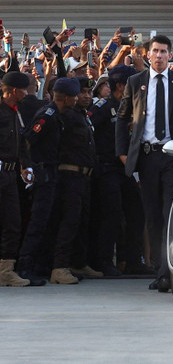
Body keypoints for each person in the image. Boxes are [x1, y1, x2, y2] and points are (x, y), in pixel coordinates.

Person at [115, 35, 173, 292]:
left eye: (163, 51)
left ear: (170, 55)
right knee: (152, 215)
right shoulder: (135, 82)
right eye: (155, 51)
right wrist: (123, 153)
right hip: (146, 157)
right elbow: (122, 119)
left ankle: (169, 269)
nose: (158, 55)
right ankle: (159, 269)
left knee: (170, 212)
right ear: (147, 55)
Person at [17, 77, 79, 285]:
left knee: (49, 220)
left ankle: (40, 265)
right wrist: (27, 167)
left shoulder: (58, 114)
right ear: (67, 98)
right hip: (43, 172)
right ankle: (25, 266)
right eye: (75, 96)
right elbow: (27, 140)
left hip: (51, 171)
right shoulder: (47, 115)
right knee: (39, 220)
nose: (78, 99)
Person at [88, 65, 150, 276]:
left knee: (136, 212)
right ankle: (104, 261)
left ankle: (133, 260)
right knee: (111, 215)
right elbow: (89, 133)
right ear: (122, 85)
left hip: (125, 169)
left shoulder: (133, 106)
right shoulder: (103, 107)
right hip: (106, 169)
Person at [49, 77, 98, 284]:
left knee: (81, 221)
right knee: (69, 221)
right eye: (82, 92)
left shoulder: (82, 115)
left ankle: (78, 263)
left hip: (85, 176)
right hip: (70, 175)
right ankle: (59, 267)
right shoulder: (64, 115)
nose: (86, 96)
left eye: (89, 92)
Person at [0, 72, 33, 287]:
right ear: (14, 91)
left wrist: (26, 165)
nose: (27, 92)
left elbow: (21, 141)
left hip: (10, 175)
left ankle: (5, 271)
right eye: (24, 89)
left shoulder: (15, 111)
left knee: (12, 223)